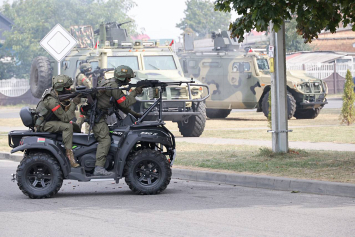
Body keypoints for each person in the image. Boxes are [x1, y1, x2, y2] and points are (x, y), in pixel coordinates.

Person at [91, 65, 143, 176]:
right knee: (105, 140)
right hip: (97, 118)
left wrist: (135, 115)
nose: (129, 80)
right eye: (128, 78)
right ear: (122, 77)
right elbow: (124, 103)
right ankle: (98, 168)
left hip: (98, 116)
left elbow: (120, 106)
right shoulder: (113, 86)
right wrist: (135, 92)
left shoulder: (109, 83)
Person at [35, 75, 81, 168]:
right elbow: (65, 118)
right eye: (67, 87)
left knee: (75, 126)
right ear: (61, 88)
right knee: (68, 126)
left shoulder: (55, 92)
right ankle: (69, 156)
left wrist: (80, 92)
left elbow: (71, 91)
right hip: (43, 124)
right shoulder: (51, 100)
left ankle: (77, 150)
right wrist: (74, 103)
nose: (69, 89)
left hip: (51, 120)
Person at [76, 63, 92, 132]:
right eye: (88, 69)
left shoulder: (81, 75)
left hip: (83, 99)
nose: (90, 70)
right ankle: (76, 130)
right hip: (83, 100)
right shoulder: (82, 76)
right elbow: (89, 85)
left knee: (83, 116)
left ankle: (78, 130)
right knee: (83, 116)